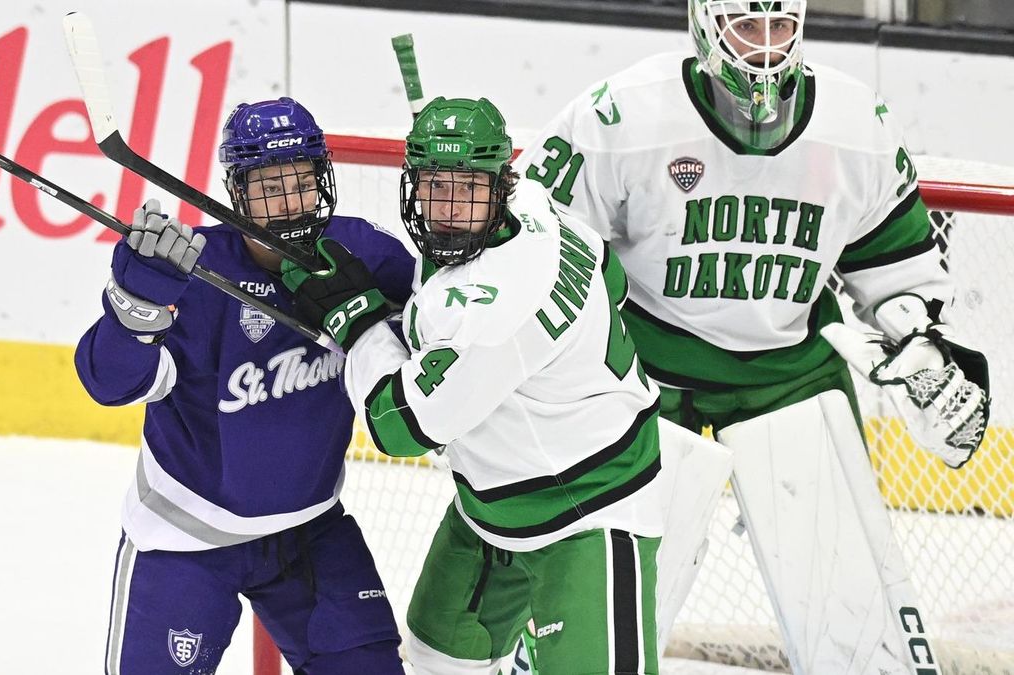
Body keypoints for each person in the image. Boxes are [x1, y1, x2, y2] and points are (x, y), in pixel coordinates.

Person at [514, 1, 991, 673]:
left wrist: (918, 344)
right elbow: (539, 238)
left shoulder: (856, 126)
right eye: (746, 26)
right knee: (611, 609)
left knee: (856, 627)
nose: (764, 49)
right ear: (706, 24)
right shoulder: (621, 116)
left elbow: (893, 262)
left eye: (780, 27)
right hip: (647, 374)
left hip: (788, 373)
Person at [283, 96, 668, 674]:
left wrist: (360, 325)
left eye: (467, 191)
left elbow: (399, 426)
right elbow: (611, 283)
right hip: (490, 505)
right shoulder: (538, 205)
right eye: (437, 187)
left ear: (499, 185)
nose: (448, 211)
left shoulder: (492, 316)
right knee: (436, 657)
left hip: (593, 509)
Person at [74, 97, 414, 674]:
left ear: (323, 179)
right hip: (187, 540)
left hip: (310, 532)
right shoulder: (197, 274)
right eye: (267, 186)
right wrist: (134, 310)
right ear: (237, 192)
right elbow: (109, 383)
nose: (287, 202)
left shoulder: (366, 255)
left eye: (300, 180)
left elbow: (440, 329)